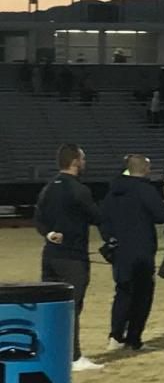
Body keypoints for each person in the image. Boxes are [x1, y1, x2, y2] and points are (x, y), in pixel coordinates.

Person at [34, 144, 104, 372]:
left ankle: (49, 353)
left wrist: (49, 234)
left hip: (51, 256)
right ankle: (73, 357)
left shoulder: (48, 188)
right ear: (75, 161)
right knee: (72, 307)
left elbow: (38, 219)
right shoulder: (78, 190)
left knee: (50, 308)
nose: (84, 162)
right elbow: (96, 217)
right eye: (82, 158)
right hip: (73, 258)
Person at [101, 154, 164, 352]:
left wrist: (110, 238)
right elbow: (161, 215)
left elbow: (103, 217)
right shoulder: (145, 190)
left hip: (119, 249)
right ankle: (133, 339)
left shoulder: (113, 190)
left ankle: (115, 336)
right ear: (145, 169)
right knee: (143, 294)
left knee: (122, 292)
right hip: (141, 249)